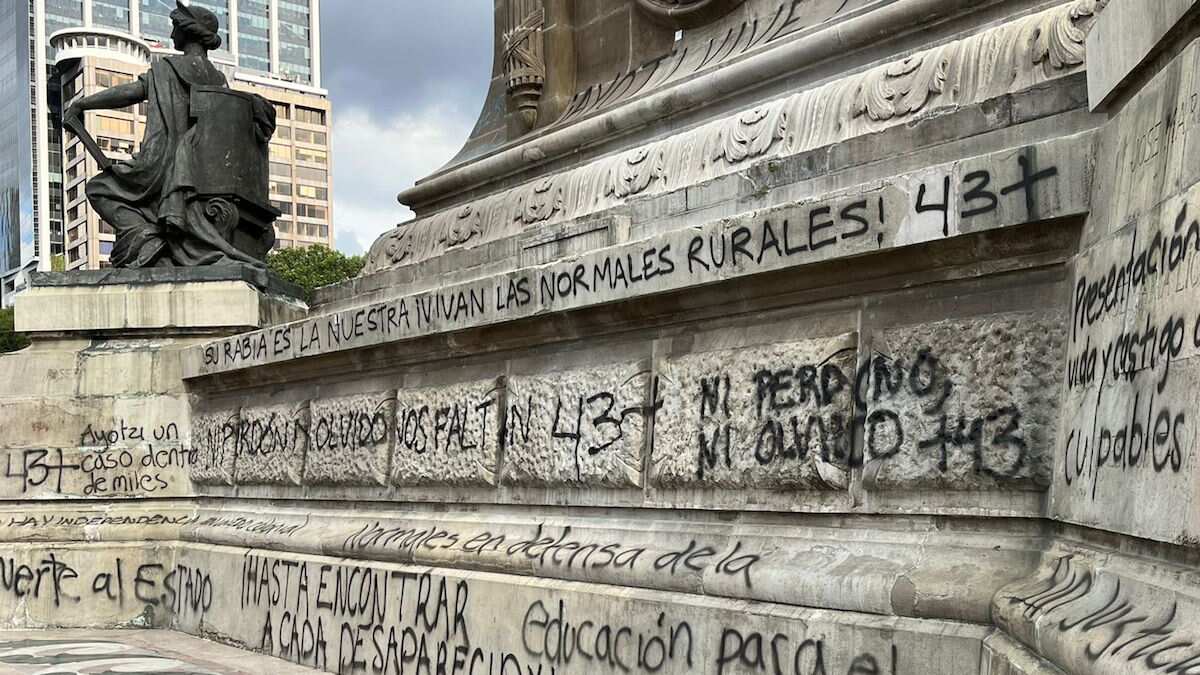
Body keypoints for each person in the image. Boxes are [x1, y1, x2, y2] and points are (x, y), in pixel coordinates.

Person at [64, 1, 275, 268]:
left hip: (162, 165)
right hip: (201, 171)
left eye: (176, 27)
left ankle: (146, 238)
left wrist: (83, 104)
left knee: (99, 188)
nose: (172, 33)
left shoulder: (168, 69)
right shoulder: (219, 80)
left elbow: (131, 92)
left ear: (188, 31)